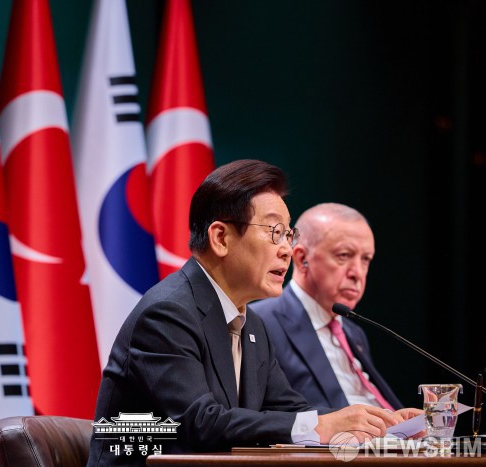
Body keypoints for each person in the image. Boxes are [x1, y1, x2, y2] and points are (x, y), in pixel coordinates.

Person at [87, 161, 421, 466]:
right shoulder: (167, 313)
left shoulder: (253, 326)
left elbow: (291, 410)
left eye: (288, 234)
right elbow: (199, 423)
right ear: (221, 238)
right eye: (275, 232)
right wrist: (322, 425)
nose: (287, 249)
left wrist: (374, 424)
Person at [252, 203, 402, 409]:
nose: (357, 273)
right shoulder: (259, 322)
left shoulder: (354, 332)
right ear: (302, 259)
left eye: (365, 259)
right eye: (344, 255)